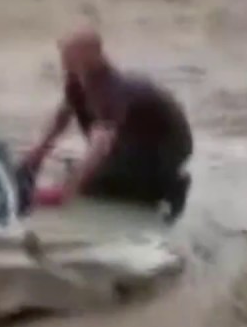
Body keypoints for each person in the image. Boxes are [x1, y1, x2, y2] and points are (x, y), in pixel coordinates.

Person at [19, 28, 193, 223]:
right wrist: (39, 152)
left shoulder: (109, 87)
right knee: (83, 176)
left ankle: (167, 186)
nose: (63, 61)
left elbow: (100, 143)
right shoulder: (78, 79)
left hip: (160, 152)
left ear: (89, 56)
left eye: (68, 56)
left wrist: (70, 189)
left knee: (92, 188)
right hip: (128, 144)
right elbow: (64, 114)